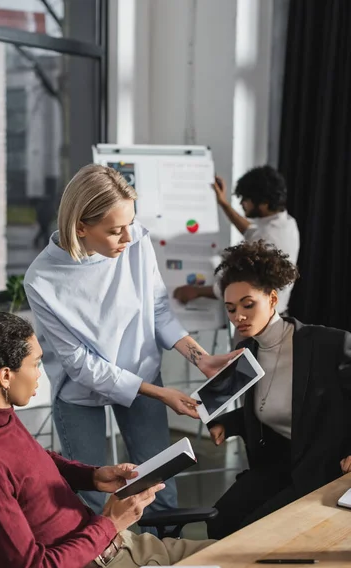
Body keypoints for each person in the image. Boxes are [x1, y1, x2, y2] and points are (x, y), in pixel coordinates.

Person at [0, 313, 214, 568]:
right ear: (5, 376)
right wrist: (110, 523)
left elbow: (32, 463)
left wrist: (92, 476)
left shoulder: (1, 420)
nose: (40, 373)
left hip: (129, 548)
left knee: (241, 554)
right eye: (35, 364)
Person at [24, 164, 238, 515]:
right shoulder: (42, 279)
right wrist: (159, 393)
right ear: (81, 227)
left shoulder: (136, 240)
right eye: (115, 231)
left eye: (130, 225)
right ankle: (101, 565)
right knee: (91, 495)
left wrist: (201, 358)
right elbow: (81, 365)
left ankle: (164, 554)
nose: (128, 237)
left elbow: (158, 312)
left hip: (142, 372)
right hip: (79, 392)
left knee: (159, 484)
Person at [205, 240, 351, 540]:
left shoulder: (326, 344)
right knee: (219, 521)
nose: (238, 317)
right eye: (231, 309)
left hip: (321, 465)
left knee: (251, 535)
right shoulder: (245, 351)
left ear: (272, 299)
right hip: (276, 463)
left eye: (248, 304)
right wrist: (226, 423)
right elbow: (266, 406)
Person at [174, 165, 300, 315]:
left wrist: (196, 291)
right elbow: (250, 231)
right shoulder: (286, 223)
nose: (242, 204)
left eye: (246, 199)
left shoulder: (268, 237)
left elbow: (240, 284)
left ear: (264, 203)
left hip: (260, 323)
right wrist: (223, 203)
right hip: (273, 315)